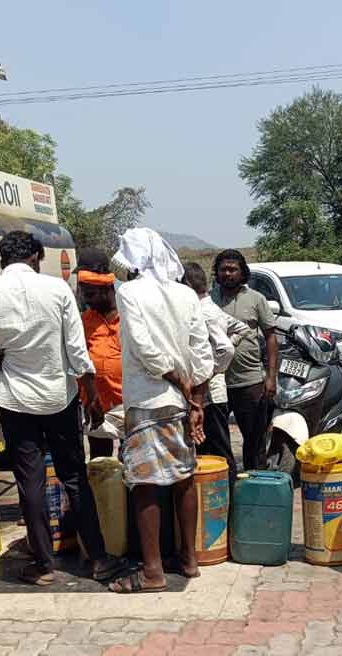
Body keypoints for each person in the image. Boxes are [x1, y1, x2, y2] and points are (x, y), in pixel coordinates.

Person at [0, 231, 126, 586]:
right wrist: (91, 394)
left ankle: (43, 564)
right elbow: (77, 352)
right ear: (36, 256)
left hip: (13, 401)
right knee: (74, 477)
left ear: (2, 258)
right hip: (57, 398)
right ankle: (98, 559)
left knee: (29, 482)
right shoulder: (58, 289)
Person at [108, 228, 213, 593]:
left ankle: (152, 571)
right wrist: (195, 394)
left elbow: (143, 348)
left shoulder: (129, 293)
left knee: (145, 484)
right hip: (183, 402)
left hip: (150, 398)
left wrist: (177, 381)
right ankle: (189, 558)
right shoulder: (185, 293)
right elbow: (203, 351)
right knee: (184, 477)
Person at [211, 249, 279, 471]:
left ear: (242, 272)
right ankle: (227, 488)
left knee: (254, 442)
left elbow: (271, 337)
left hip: (249, 382)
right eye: (223, 269)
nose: (228, 274)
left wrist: (271, 377)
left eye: (233, 269)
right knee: (216, 444)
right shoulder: (208, 300)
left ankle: (256, 489)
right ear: (217, 272)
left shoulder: (256, 299)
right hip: (215, 382)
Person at [182, 261, 242, 487]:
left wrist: (210, 370)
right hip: (207, 392)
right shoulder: (211, 308)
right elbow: (240, 330)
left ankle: (229, 504)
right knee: (208, 452)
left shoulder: (204, 311)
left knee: (218, 453)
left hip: (211, 395)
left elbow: (225, 349)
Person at [79, 267, 123, 458]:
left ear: (107, 291)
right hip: (95, 401)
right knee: (100, 458)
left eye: (90, 294)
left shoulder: (129, 316)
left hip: (128, 400)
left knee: (134, 455)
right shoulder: (85, 320)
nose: (87, 300)